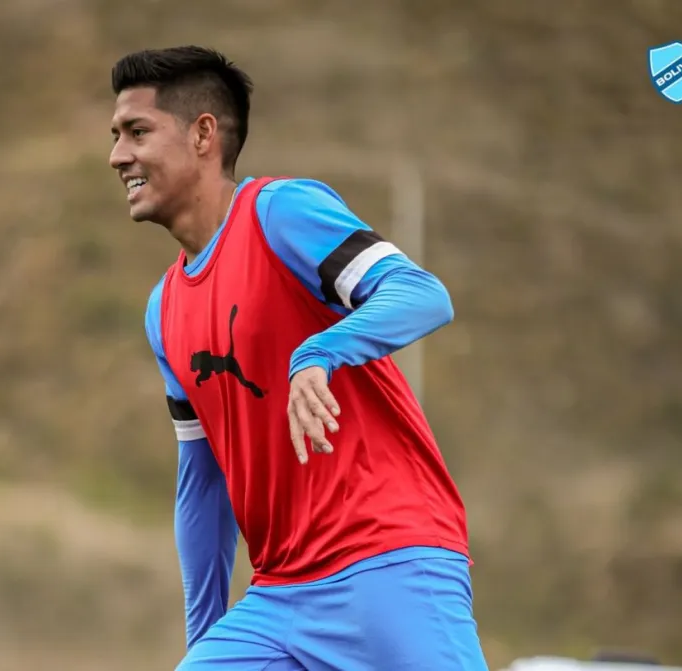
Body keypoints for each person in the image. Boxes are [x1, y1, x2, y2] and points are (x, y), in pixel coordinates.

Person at [109, 45, 489, 671]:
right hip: (278, 599)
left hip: (387, 560)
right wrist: (205, 640)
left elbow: (424, 295)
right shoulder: (163, 310)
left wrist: (319, 351)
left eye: (137, 132)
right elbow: (202, 484)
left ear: (204, 134)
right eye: (117, 136)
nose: (118, 155)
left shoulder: (279, 213)